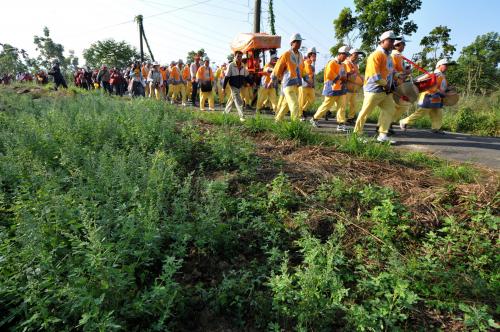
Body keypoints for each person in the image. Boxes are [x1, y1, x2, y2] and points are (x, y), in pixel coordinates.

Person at [353, 30, 401, 144]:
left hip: (385, 91)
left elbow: (390, 71)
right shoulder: (376, 55)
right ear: (382, 41)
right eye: (390, 40)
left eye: (394, 40)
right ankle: (357, 135)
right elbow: (375, 76)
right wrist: (387, 85)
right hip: (374, 89)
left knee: (390, 110)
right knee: (365, 112)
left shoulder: (388, 56)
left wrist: (399, 75)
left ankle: (382, 135)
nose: (393, 43)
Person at [400, 59, 452, 134]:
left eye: (447, 66)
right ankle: (404, 122)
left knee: (437, 112)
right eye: (445, 65)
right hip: (428, 96)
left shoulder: (442, 76)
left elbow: (442, 86)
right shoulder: (434, 74)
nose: (447, 67)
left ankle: (436, 128)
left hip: (437, 96)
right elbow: (427, 84)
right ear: (439, 66)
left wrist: (448, 89)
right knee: (422, 112)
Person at [310, 46, 349, 131]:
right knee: (326, 105)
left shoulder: (344, 65)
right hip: (332, 88)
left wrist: (345, 79)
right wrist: (341, 78)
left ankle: (341, 124)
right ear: (339, 54)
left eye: (347, 55)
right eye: (344, 55)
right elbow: (329, 75)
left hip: (341, 88)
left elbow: (345, 75)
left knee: (342, 106)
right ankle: (314, 118)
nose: (346, 57)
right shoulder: (331, 63)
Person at [274, 33, 305, 122]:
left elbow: (302, 68)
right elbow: (278, 67)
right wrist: (277, 78)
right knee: (295, 105)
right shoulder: (286, 54)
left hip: (296, 84)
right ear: (292, 43)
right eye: (297, 42)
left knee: (286, 105)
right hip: (288, 84)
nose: (299, 43)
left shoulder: (300, 55)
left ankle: (278, 120)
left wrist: (305, 77)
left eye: (300, 42)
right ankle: (294, 125)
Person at [389, 37, 412, 134]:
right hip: (395, 83)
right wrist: (406, 71)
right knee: (394, 105)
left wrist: (405, 71)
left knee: (403, 105)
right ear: (397, 45)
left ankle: (388, 123)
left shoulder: (398, 55)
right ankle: (386, 124)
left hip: (399, 83)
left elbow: (399, 69)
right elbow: (393, 70)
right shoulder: (395, 55)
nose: (404, 46)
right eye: (403, 44)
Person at [223, 50, 250, 122]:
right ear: (235, 57)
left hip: (239, 86)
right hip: (233, 86)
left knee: (232, 99)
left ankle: (225, 113)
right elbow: (227, 77)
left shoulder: (243, 65)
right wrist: (223, 87)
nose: (239, 58)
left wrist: (251, 82)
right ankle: (242, 116)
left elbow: (246, 76)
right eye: (238, 56)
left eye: (241, 56)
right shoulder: (231, 65)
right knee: (239, 101)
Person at [343, 48, 364, 125]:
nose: (357, 56)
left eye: (357, 55)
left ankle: (350, 118)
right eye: (355, 54)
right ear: (350, 55)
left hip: (354, 89)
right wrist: (359, 80)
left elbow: (357, 74)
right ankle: (340, 118)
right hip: (347, 88)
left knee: (353, 104)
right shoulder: (347, 63)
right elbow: (349, 76)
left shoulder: (355, 65)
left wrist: (362, 80)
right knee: (343, 104)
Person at [299, 47, 318, 120]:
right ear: (309, 55)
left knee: (312, 99)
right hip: (304, 85)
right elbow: (308, 75)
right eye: (313, 55)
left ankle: (304, 109)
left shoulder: (312, 65)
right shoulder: (305, 63)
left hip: (310, 86)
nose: (315, 57)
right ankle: (300, 115)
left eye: (315, 55)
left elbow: (312, 76)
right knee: (301, 101)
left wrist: (313, 85)